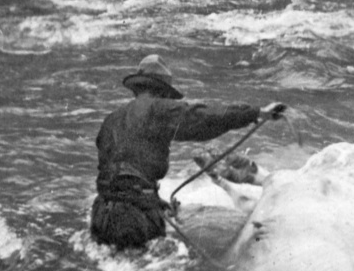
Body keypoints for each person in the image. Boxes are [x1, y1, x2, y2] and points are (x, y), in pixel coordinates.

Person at [90, 54, 285, 250]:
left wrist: (157, 203)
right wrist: (256, 113)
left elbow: (120, 178)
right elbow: (205, 118)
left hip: (101, 215)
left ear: (137, 88)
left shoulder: (111, 120)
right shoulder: (159, 109)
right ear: (164, 92)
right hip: (133, 219)